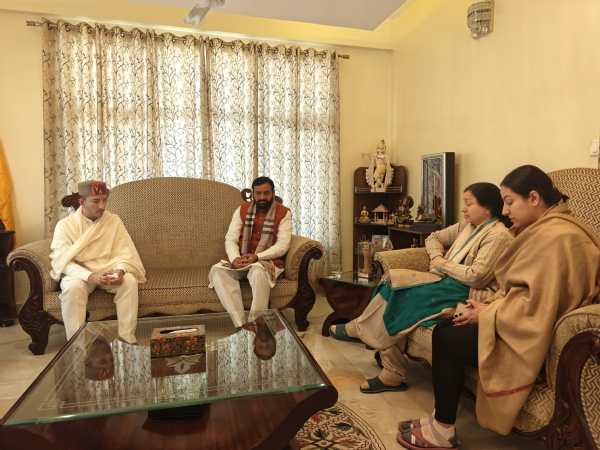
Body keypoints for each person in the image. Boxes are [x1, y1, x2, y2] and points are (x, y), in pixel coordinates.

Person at [397, 165, 600, 450]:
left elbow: (540, 306)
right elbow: (524, 291)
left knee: (446, 339)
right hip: (518, 317)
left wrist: (487, 313)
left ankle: (443, 431)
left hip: (537, 335)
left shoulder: (558, 237)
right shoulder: (544, 228)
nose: (505, 211)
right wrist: (485, 305)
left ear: (533, 197)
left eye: (508, 201)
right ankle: (439, 419)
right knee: (447, 325)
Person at [329, 182, 513, 395]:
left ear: (488, 208)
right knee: (392, 280)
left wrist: (441, 265)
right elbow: (434, 237)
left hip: (467, 292)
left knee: (402, 296)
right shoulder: (466, 226)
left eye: (468, 203)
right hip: (445, 282)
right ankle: (376, 352)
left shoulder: (497, 235)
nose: (463, 208)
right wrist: (436, 256)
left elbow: (476, 277)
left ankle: (365, 338)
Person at [50, 181, 146, 343]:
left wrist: (121, 270)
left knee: (129, 281)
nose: (102, 206)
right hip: (80, 273)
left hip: (109, 270)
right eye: (96, 201)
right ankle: (76, 344)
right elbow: (63, 262)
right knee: (72, 287)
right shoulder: (65, 226)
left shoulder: (113, 220)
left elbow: (125, 252)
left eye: (104, 200)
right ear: (82, 202)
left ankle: (127, 338)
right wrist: (90, 276)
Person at [209, 176, 292, 325]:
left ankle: (257, 324)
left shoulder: (284, 213)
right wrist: (235, 258)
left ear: (273, 193)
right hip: (241, 259)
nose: (262, 197)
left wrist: (257, 257)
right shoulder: (242, 209)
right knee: (217, 271)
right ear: (253, 194)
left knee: (258, 271)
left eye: (266, 193)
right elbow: (231, 239)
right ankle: (241, 323)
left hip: (266, 261)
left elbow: (283, 245)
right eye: (258, 193)